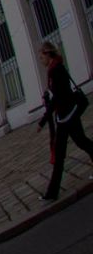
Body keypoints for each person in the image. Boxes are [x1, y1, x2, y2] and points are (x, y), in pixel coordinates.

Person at [38, 42, 93, 200]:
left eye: (42, 56)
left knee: (72, 147)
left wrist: (43, 120)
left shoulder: (56, 70)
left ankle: (52, 193)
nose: (41, 60)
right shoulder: (54, 69)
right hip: (64, 116)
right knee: (72, 147)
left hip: (67, 116)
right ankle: (52, 193)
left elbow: (59, 97)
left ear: (48, 54)